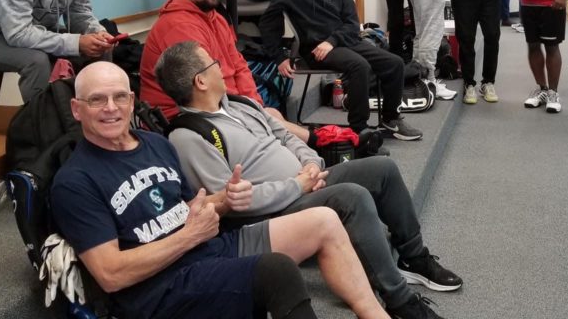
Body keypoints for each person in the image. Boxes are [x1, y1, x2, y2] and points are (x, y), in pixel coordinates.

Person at [50, 62, 389, 319]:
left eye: (119, 97)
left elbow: (187, 208)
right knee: (276, 272)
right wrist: (189, 236)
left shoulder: (155, 143)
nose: (111, 108)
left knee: (324, 221)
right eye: (97, 100)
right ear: (77, 109)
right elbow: (111, 274)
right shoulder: (75, 181)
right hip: (159, 286)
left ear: (132, 100)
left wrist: (227, 198)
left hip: (205, 248)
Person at [157, 42, 461, 319]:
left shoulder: (239, 104)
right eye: (213, 63)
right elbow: (232, 202)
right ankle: (399, 301)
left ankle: (414, 257)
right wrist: (297, 186)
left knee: (383, 169)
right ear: (200, 81)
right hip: (272, 212)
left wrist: (311, 164)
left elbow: (286, 136)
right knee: (351, 197)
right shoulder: (188, 136)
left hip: (305, 180)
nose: (220, 65)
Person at [260, 0, 422, 141]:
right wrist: (279, 57)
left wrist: (332, 40)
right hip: (316, 51)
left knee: (395, 62)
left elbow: (352, 25)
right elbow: (268, 24)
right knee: (359, 66)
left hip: (344, 42)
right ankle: (359, 128)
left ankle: (391, 118)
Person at [140, 0, 312, 142]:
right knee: (275, 127)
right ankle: (317, 141)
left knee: (272, 116)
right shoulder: (179, 26)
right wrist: (248, 111)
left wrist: (254, 104)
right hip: (182, 115)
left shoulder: (216, 18)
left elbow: (239, 65)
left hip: (216, 103)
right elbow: (205, 86)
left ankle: (316, 144)